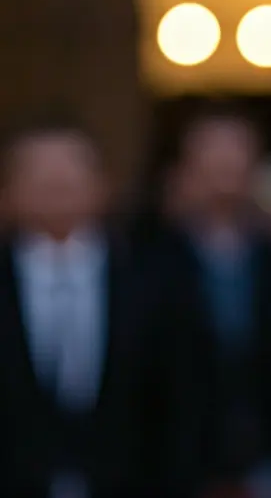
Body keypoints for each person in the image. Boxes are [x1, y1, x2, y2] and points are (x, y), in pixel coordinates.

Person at [0, 117, 191, 497]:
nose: (56, 180)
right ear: (7, 191)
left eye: (71, 166)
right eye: (38, 169)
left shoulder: (153, 280)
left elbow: (182, 401)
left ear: (105, 186)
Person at [145, 105, 271, 497]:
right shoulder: (149, 261)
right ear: (184, 167)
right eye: (211, 153)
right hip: (176, 460)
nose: (225, 165)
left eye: (237, 152)